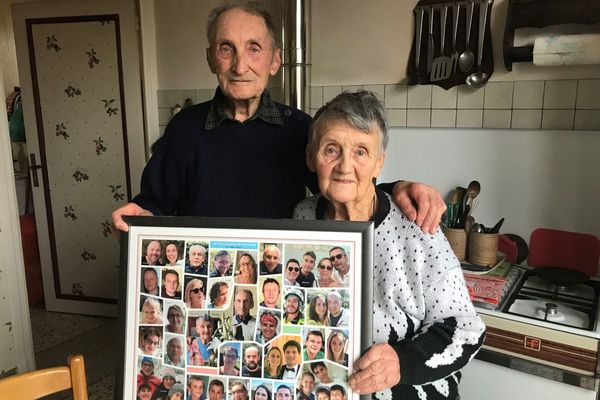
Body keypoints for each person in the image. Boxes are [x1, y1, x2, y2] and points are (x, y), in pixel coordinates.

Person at [111, 3, 445, 236]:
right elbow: (153, 206)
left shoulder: (301, 129)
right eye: (227, 49)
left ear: (275, 61)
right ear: (212, 60)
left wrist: (398, 188)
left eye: (254, 48)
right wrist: (137, 219)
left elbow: (344, 192)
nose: (241, 66)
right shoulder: (184, 129)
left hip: (280, 288)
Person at [293, 91, 485, 400]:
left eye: (360, 152)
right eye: (331, 150)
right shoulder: (302, 215)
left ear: (379, 164)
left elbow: (466, 328)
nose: (344, 166)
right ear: (311, 157)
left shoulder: (416, 225)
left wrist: (400, 361)